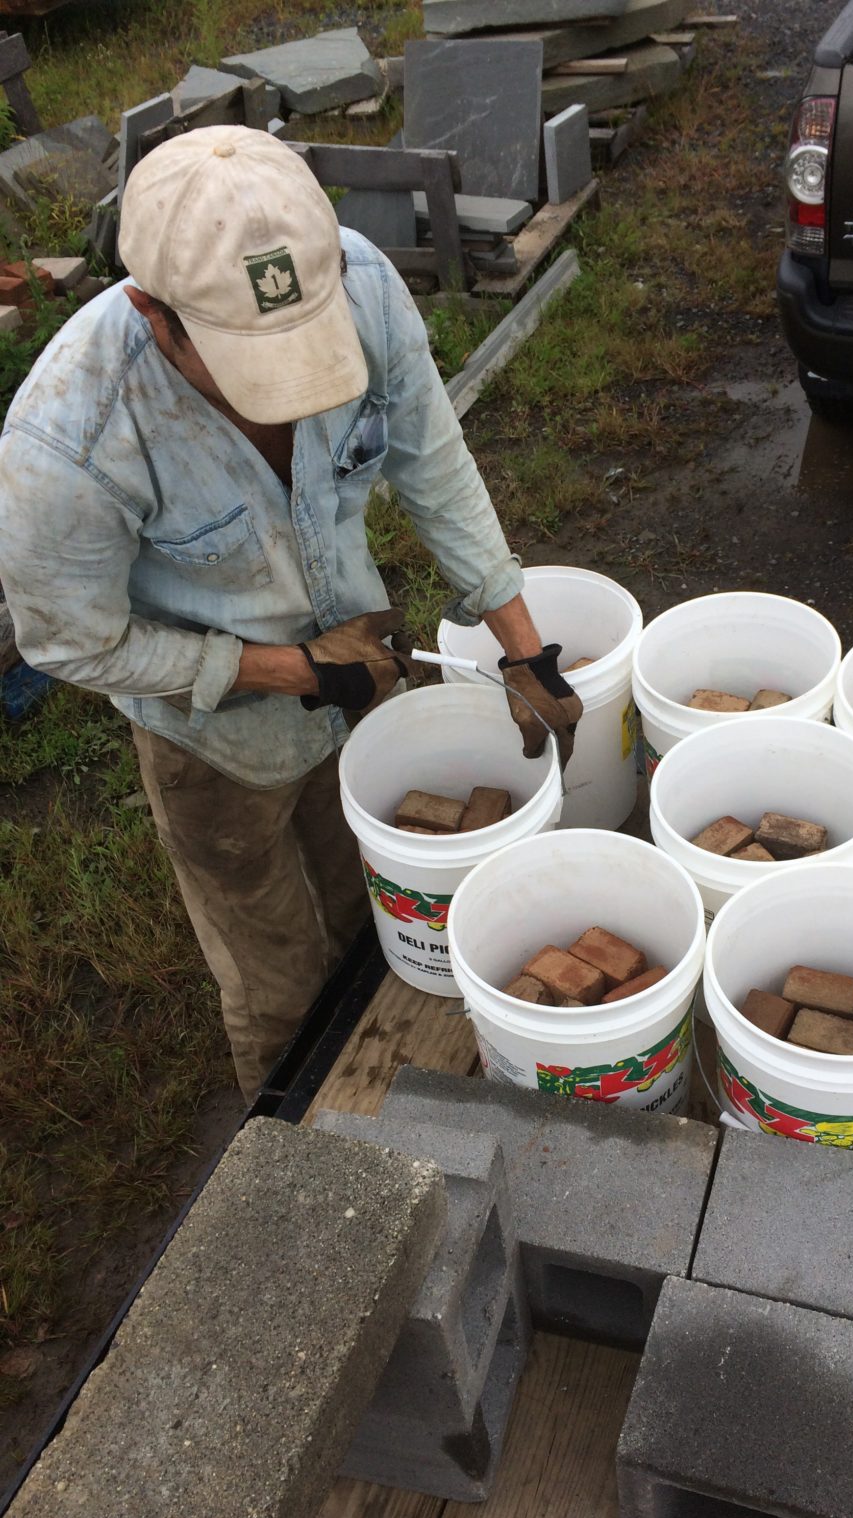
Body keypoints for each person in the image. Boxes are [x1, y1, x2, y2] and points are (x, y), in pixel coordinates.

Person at [0, 127, 582, 1102]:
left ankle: (397, 1101)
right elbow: (71, 639)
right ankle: (296, 1166)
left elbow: (433, 462)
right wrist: (291, 670)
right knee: (278, 983)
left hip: (355, 688)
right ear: (154, 315)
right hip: (210, 747)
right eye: (246, 364)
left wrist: (523, 648)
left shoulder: (359, 284)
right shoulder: (70, 442)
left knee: (368, 926)